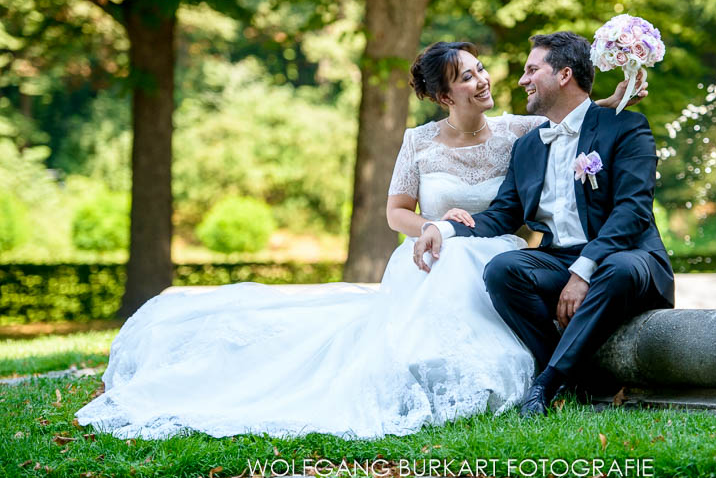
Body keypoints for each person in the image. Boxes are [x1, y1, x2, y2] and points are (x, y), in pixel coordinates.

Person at [74, 41, 644, 440]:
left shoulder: (520, 131)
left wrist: (622, 92)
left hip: (500, 250)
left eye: (482, 70)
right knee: (431, 298)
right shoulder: (420, 142)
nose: (486, 79)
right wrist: (434, 229)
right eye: (468, 75)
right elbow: (396, 210)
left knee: (498, 271)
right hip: (441, 251)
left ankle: (544, 380)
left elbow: (576, 122)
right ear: (445, 96)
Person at [415, 32, 674, 417]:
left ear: (564, 75)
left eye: (532, 70)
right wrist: (442, 228)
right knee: (504, 270)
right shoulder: (529, 145)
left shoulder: (627, 128)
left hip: (628, 257)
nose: (522, 80)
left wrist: (583, 271)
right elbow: (504, 214)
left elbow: (632, 212)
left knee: (616, 269)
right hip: (560, 259)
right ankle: (576, 377)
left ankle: (546, 384)